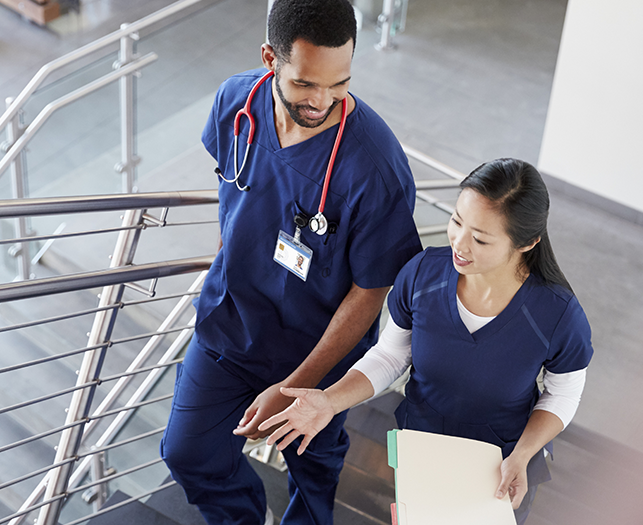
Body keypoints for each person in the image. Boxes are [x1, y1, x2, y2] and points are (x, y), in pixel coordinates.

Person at [160, 1, 422, 524]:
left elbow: (371, 291)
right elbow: (232, 189)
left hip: (319, 353)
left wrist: (294, 386)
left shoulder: (374, 167)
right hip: (230, 326)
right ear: (270, 58)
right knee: (186, 452)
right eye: (305, 84)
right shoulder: (237, 102)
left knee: (313, 461)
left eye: (339, 83)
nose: (322, 101)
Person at [259, 158, 593, 524]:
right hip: (422, 447)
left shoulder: (558, 315)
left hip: (499, 465)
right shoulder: (422, 274)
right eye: (456, 221)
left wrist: (524, 454)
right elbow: (390, 356)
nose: (459, 244)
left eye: (480, 238)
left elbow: (563, 393)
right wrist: (329, 401)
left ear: (528, 242)